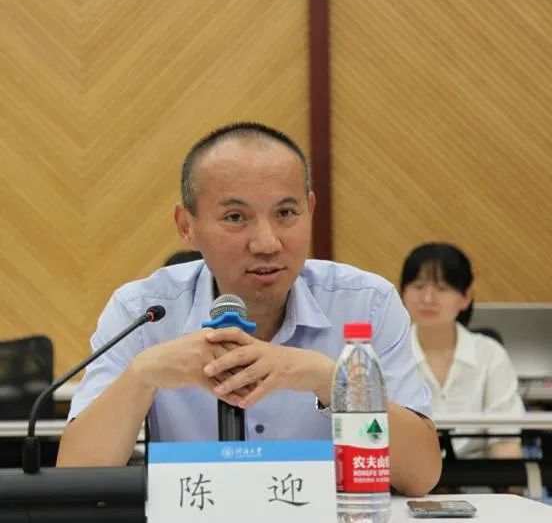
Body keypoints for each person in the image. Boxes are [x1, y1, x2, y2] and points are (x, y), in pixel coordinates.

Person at [57, 122, 441, 496]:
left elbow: (421, 477)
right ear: (187, 226)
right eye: (235, 218)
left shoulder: (366, 303)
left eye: (285, 213)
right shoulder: (143, 312)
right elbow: (75, 481)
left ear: (310, 210)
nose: (266, 243)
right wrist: (141, 376)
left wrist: (332, 381)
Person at [399, 242, 524, 459]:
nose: (427, 299)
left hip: (479, 477)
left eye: (442, 289)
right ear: (402, 293)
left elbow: (506, 443)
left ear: (466, 297)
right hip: (408, 476)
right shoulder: (389, 354)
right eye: (418, 287)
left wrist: (510, 481)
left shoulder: (490, 354)